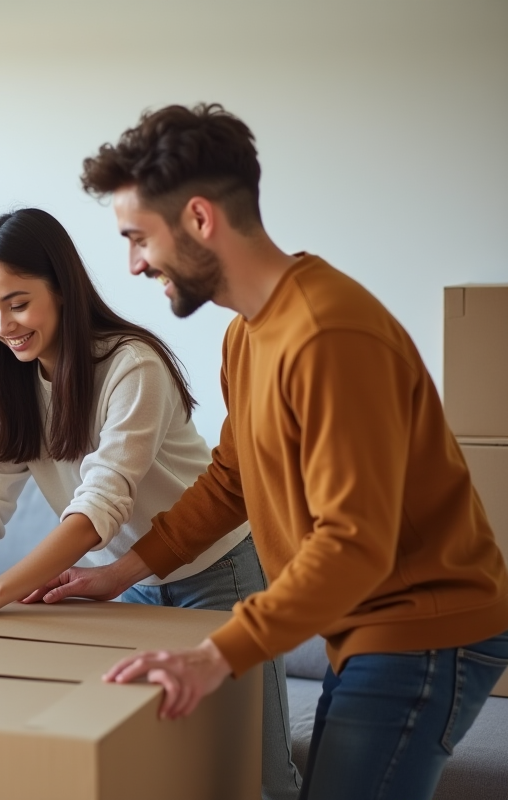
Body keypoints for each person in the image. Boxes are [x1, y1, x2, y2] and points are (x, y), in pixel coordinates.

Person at [72, 103, 508, 800]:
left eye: (138, 238)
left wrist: (218, 654)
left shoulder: (328, 334)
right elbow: (231, 481)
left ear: (199, 218)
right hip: (369, 622)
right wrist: (119, 572)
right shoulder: (248, 333)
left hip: (422, 625)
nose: (133, 265)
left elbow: (354, 542)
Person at [0, 207, 300, 800]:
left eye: (18, 303)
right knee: (160, 770)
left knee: (262, 775)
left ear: (63, 290)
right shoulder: (11, 381)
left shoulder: (132, 366)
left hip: (218, 573)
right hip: (130, 587)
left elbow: (101, 504)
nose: (2, 325)